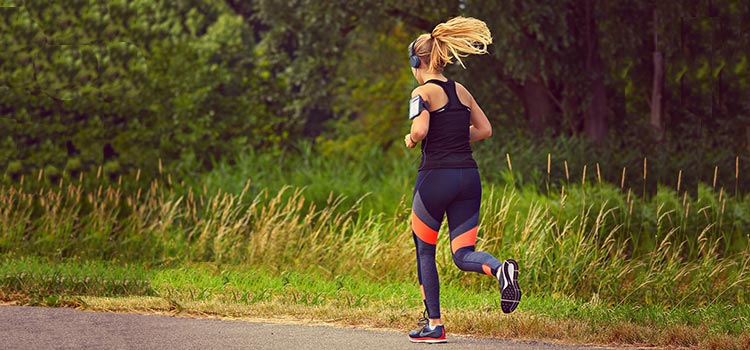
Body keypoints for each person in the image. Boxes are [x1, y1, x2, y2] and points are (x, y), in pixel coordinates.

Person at [403, 16, 521, 344]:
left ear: (417, 61)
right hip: (468, 178)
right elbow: (485, 130)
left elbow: (421, 129)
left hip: (435, 180)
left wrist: (413, 139)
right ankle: (500, 270)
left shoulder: (421, 92)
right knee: (462, 253)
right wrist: (454, 136)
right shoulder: (461, 90)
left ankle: (435, 325)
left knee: (425, 251)